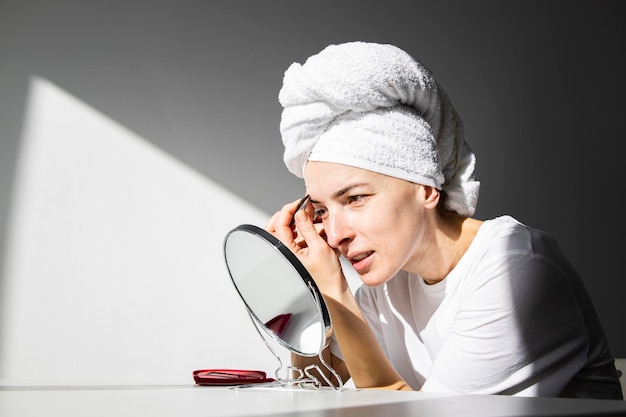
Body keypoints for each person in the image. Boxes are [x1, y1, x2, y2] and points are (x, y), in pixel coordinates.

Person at [264, 41, 623, 398]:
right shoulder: (389, 287)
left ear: (426, 188)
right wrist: (306, 289)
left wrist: (333, 289)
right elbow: (314, 386)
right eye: (322, 212)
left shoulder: (514, 266)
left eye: (356, 198)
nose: (335, 234)